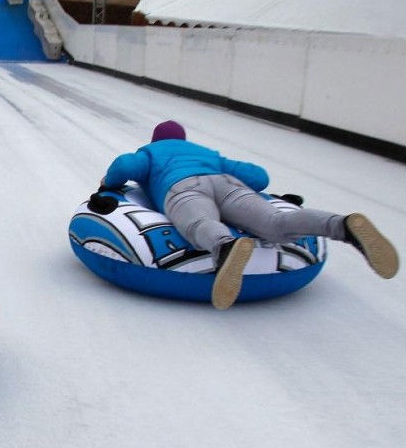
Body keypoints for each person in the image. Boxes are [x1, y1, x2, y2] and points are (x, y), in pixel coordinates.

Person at [100, 120, 399, 310]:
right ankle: (343, 226)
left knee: (200, 222)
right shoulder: (207, 153)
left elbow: (125, 167)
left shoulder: (152, 153)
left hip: (182, 188)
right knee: (275, 223)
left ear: (155, 140)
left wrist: (109, 184)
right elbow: (259, 176)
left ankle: (224, 246)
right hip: (227, 183)